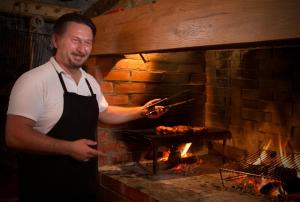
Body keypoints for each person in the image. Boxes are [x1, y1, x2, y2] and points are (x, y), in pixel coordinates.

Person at [5, 13, 166, 202]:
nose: (82, 49)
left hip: (84, 184)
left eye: (88, 43)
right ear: (56, 40)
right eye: (75, 41)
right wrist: (69, 148)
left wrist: (142, 111)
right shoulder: (33, 81)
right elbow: (15, 136)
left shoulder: (89, 81)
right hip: (46, 188)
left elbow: (104, 112)